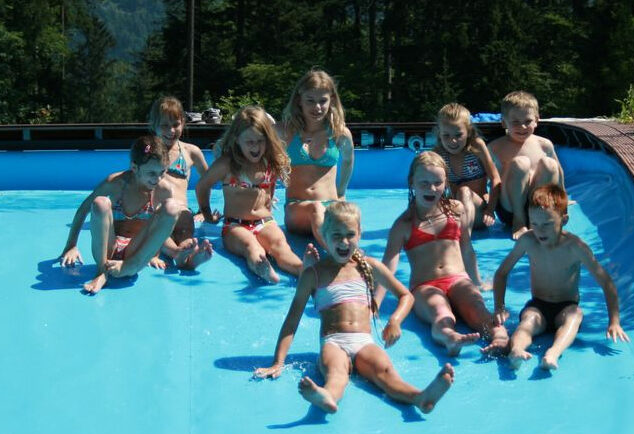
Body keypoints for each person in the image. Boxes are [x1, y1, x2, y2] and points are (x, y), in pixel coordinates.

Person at [254, 202, 454, 414]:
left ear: (360, 234)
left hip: (364, 342)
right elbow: (292, 320)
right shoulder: (314, 274)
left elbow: (406, 296)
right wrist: (278, 362)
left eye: (350, 234)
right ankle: (327, 396)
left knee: (386, 372)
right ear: (323, 234)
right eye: (336, 235)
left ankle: (420, 398)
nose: (344, 241)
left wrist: (395, 321)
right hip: (334, 342)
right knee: (337, 372)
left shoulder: (369, 266)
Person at [377, 151, 509, 356]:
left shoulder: (456, 210)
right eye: (424, 183)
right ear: (412, 182)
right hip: (425, 287)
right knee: (441, 313)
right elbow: (387, 268)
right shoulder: (403, 225)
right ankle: (450, 337)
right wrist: (375, 303)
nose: (431, 188)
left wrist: (476, 283)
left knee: (477, 309)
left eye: (437, 182)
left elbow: (466, 248)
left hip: (458, 279)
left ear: (446, 182)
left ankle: (500, 338)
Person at [492, 185, 629, 371]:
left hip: (566, 307)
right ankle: (516, 350)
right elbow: (501, 273)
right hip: (538, 305)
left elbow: (606, 282)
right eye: (534, 223)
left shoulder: (575, 247)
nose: (540, 230)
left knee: (575, 315)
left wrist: (614, 321)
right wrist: (499, 307)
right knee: (528, 321)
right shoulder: (528, 241)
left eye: (547, 224)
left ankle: (553, 353)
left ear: (564, 220)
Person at [59, 136, 183, 294]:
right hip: (108, 248)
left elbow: (161, 225)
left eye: (162, 172)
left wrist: (153, 254)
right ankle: (101, 271)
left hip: (135, 251)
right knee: (100, 203)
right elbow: (83, 209)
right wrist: (71, 245)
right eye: (152, 173)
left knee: (172, 207)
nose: (157, 179)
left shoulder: (162, 190)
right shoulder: (116, 183)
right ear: (135, 167)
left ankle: (132, 265)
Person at [196, 106, 306, 283]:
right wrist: (207, 215)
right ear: (237, 140)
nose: (256, 147)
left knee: (281, 247)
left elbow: (268, 190)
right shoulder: (227, 164)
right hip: (235, 226)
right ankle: (263, 268)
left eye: (261, 141)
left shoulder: (270, 163)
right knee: (251, 246)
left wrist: (267, 205)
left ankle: (305, 272)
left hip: (265, 223)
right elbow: (202, 186)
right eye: (250, 142)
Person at [279, 69, 355, 247]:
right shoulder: (286, 131)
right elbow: (254, 138)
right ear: (299, 100)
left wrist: (341, 192)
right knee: (316, 209)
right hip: (297, 207)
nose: (317, 107)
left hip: (330, 206)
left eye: (323, 101)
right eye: (310, 101)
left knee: (350, 216)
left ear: (332, 101)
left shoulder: (339, 134)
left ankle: (343, 251)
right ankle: (342, 257)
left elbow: (348, 161)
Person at [487, 91, 565, 240]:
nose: (522, 126)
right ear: (504, 122)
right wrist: (486, 205)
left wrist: (563, 200)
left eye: (528, 121)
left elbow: (559, 172)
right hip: (510, 209)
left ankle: (541, 215)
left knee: (549, 164)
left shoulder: (544, 144)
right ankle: (520, 219)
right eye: (515, 122)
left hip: (540, 208)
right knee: (520, 163)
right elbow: (487, 177)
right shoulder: (495, 147)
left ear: (536, 120)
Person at [148, 96, 213, 269]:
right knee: (159, 230)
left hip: (182, 210)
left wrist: (203, 211)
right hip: (157, 211)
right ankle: (179, 255)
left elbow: (208, 181)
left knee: (185, 227)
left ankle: (186, 251)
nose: (171, 130)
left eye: (175, 124)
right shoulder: (148, 151)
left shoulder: (191, 152)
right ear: (154, 125)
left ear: (183, 122)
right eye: (164, 125)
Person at [433, 103, 501, 233]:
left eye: (458, 135)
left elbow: (495, 179)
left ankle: (465, 240)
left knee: (464, 191)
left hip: (479, 213)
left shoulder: (476, 147)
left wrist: (490, 210)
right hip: (455, 213)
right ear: (439, 133)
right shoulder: (438, 154)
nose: (453, 141)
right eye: (446, 136)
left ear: (468, 132)